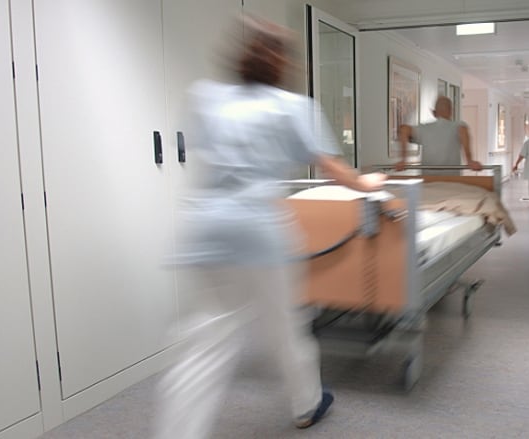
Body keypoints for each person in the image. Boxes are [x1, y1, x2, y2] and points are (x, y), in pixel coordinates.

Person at [153, 16, 386, 438]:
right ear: (282, 63)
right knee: (285, 327)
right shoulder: (293, 107)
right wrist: (367, 182)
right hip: (258, 232)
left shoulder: (205, 97)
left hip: (205, 229)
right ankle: (307, 404)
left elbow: (203, 152)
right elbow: (332, 168)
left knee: (203, 342)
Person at [395, 96, 483, 173]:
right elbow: (463, 132)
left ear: (434, 113)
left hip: (429, 182)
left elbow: (403, 129)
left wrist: (403, 160)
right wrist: (469, 160)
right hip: (451, 181)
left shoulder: (424, 128)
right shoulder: (459, 126)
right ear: (451, 111)